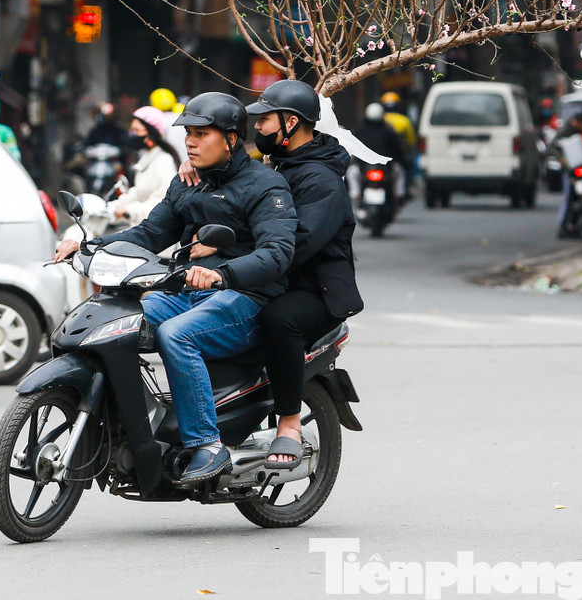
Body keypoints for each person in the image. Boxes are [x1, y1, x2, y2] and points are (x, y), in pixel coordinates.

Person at [55, 92, 297, 485]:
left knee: (176, 335)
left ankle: (207, 444)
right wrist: (88, 244)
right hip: (186, 292)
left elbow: (277, 253)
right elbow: (150, 233)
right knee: (115, 325)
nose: (191, 142)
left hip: (246, 299)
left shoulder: (265, 186)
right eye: (188, 134)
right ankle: (131, 425)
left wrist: (222, 274)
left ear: (231, 139)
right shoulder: (188, 183)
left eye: (202, 134)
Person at [236, 79, 363, 470]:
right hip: (272, 280)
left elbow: (296, 245)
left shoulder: (321, 181)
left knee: (280, 318)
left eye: (265, 121)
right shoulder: (276, 164)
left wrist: (235, 261)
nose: (257, 128)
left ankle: (289, 422)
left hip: (314, 292)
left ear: (290, 123)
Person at [109, 106, 181, 224]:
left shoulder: (163, 161)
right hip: (141, 227)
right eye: (131, 130)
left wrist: (130, 210)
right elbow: (139, 193)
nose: (132, 134)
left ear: (151, 133)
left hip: (155, 230)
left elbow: (164, 201)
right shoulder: (146, 158)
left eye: (136, 131)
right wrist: (113, 206)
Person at [351, 103, 408, 201]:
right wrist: (401, 160)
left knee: (352, 172)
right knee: (400, 172)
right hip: (385, 168)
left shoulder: (359, 132)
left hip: (365, 168)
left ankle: (355, 195)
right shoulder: (389, 132)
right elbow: (397, 150)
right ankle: (398, 196)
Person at [553, 108, 582, 239]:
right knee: (568, 197)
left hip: (580, 167)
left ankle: (573, 225)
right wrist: (561, 158)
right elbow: (553, 146)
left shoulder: (580, 132)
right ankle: (563, 226)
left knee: (575, 198)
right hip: (570, 169)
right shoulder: (566, 131)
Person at [381, 91, 418, 197]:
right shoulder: (404, 121)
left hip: (380, 154)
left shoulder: (380, 119)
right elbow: (411, 140)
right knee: (410, 167)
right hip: (398, 155)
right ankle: (406, 189)